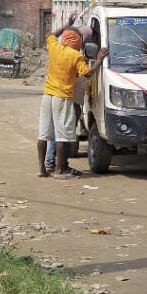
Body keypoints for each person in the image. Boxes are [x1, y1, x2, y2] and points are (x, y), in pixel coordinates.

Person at [38, 13, 107, 179]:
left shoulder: (55, 47)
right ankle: (61, 170)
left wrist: (67, 25)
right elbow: (88, 73)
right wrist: (99, 60)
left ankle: (42, 170)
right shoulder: (75, 55)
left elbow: (52, 35)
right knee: (63, 135)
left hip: (48, 95)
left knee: (43, 134)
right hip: (63, 98)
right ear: (78, 42)